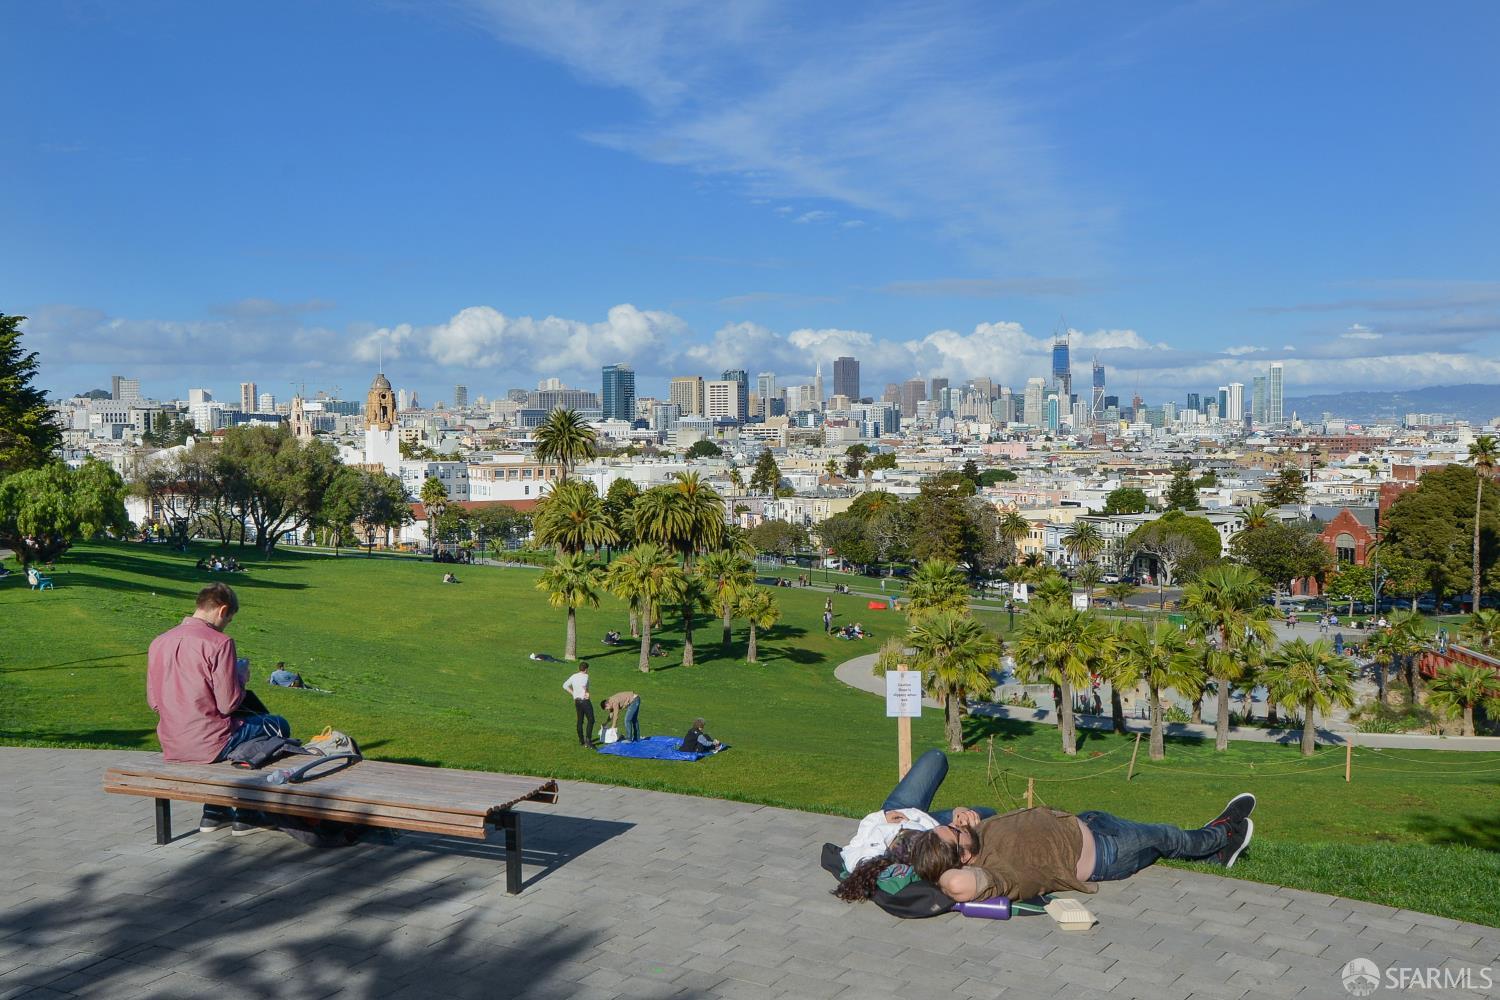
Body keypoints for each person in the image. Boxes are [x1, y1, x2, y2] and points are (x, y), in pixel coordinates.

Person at [899, 793, 1255, 905]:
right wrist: (943, 875)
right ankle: (1222, 833)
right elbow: (961, 886)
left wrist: (965, 816)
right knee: (1167, 838)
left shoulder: (974, 838)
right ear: (961, 858)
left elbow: (963, 830)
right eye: (953, 831)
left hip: (1091, 822)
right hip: (1107, 852)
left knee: (1161, 844)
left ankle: (1218, 856)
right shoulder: (996, 874)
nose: (956, 825)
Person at [146, 583, 290, 835]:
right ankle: (248, 813)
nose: (227, 625)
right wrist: (240, 676)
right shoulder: (220, 643)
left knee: (249, 732)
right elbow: (228, 703)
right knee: (276, 726)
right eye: (230, 619)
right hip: (209, 741)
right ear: (223, 610)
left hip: (172, 740)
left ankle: (214, 812)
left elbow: (154, 702)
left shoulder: (159, 642)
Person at [832, 750, 995, 895]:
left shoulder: (868, 855)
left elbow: (857, 842)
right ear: (963, 854)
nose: (957, 826)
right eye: (956, 829)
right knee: (988, 814)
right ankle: (957, 821)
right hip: (927, 822)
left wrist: (882, 817)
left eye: (955, 829)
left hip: (898, 810)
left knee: (935, 758)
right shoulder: (938, 857)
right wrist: (960, 813)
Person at [563, 662, 594, 748]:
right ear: (586, 669)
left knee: (580, 720)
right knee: (591, 719)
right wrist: (586, 692)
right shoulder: (586, 676)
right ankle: (588, 740)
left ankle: (581, 740)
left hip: (577, 701)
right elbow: (584, 685)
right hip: (584, 701)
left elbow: (565, 685)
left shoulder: (574, 676)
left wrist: (573, 693)